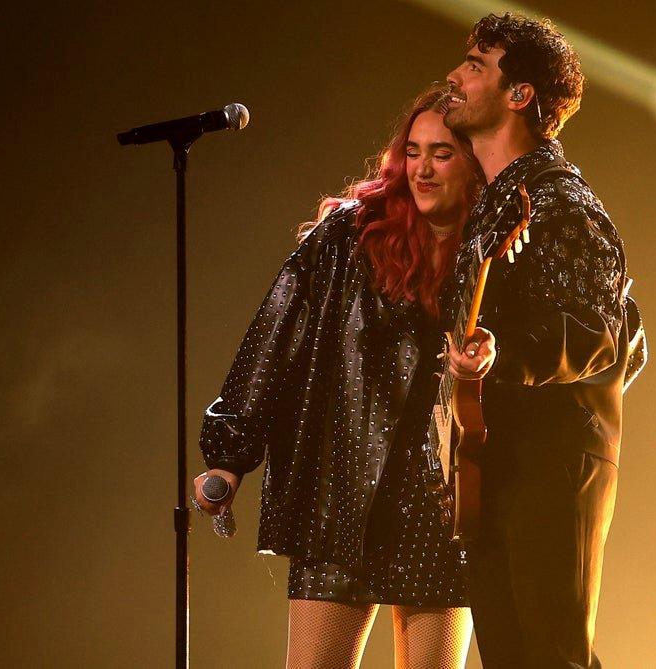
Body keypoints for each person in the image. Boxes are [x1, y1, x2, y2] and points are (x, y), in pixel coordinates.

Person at [194, 86, 484, 669]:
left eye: (442, 154)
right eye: (413, 150)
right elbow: (276, 335)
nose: (422, 168)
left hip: (440, 501)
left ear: (475, 163)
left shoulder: (495, 242)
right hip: (342, 491)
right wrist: (229, 452)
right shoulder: (350, 235)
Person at [439, 13, 647, 668]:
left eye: (476, 64)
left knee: (552, 656)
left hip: (554, 465)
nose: (455, 75)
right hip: (495, 463)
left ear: (520, 93)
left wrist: (503, 352)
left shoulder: (561, 202)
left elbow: (601, 334)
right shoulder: (495, 203)